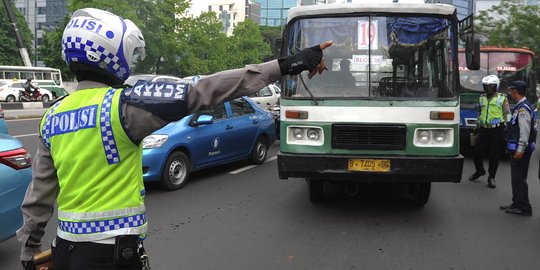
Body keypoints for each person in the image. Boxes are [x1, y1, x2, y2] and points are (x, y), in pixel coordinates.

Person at [17, 8, 332, 270]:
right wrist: (285, 65)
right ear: (110, 54)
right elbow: (204, 90)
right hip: (112, 256)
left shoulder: (52, 116)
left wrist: (29, 252)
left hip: (64, 252)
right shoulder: (122, 107)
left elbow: (38, 199)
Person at [500, 80, 536, 216]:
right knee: (515, 178)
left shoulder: (523, 108)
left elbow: (524, 132)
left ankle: (524, 207)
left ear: (515, 91)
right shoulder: (520, 106)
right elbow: (512, 122)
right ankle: (516, 202)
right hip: (516, 149)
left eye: (511, 90)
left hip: (521, 150)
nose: (510, 92)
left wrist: (520, 149)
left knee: (519, 178)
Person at [468, 75, 510, 188]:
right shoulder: (481, 98)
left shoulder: (502, 98)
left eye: (491, 86)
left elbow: (507, 114)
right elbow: (480, 113)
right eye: (486, 86)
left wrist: (507, 127)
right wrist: (477, 127)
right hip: (484, 129)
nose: (488, 89)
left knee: (494, 154)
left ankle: (491, 177)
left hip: (497, 129)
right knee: (476, 151)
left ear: (496, 86)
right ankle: (479, 170)